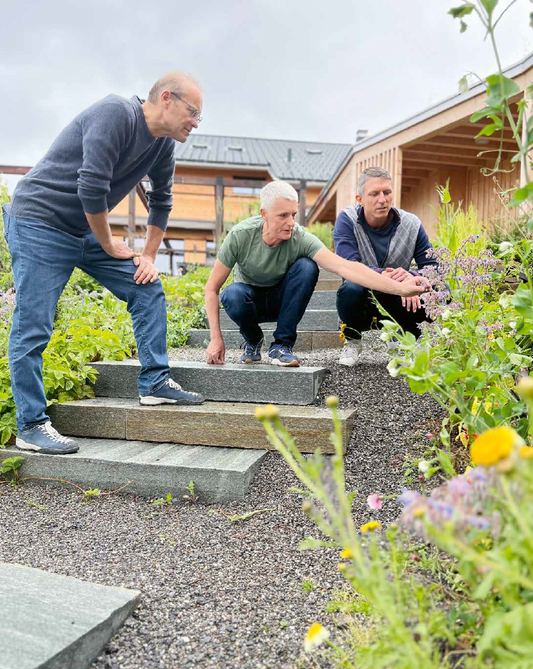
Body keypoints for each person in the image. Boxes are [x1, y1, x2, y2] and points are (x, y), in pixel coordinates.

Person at [3, 71, 205, 456]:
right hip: (38, 223)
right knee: (33, 325)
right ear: (167, 98)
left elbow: (162, 200)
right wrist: (109, 242)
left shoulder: (162, 145)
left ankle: (155, 383)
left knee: (147, 285)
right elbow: (91, 186)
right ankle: (31, 425)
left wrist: (147, 255)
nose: (195, 122)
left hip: (84, 229)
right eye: (193, 112)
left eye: (200, 116)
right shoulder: (116, 114)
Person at [204, 181, 430, 368]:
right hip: (248, 301)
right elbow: (211, 288)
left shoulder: (299, 236)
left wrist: (401, 289)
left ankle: (281, 345)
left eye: (293, 214)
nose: (291, 222)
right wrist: (216, 338)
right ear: (264, 214)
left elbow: (346, 267)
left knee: (307, 266)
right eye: (283, 216)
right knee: (232, 293)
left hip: (283, 301)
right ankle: (253, 340)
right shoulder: (241, 236)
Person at [334, 166, 437, 366]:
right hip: (364, 302)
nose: (382, 199)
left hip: (401, 301)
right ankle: (353, 340)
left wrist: (411, 276)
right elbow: (349, 267)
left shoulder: (411, 223)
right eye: (374, 194)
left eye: (387, 192)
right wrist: (387, 276)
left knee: (441, 289)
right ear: (360, 199)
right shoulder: (347, 220)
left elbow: (433, 267)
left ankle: (407, 336)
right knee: (351, 286)